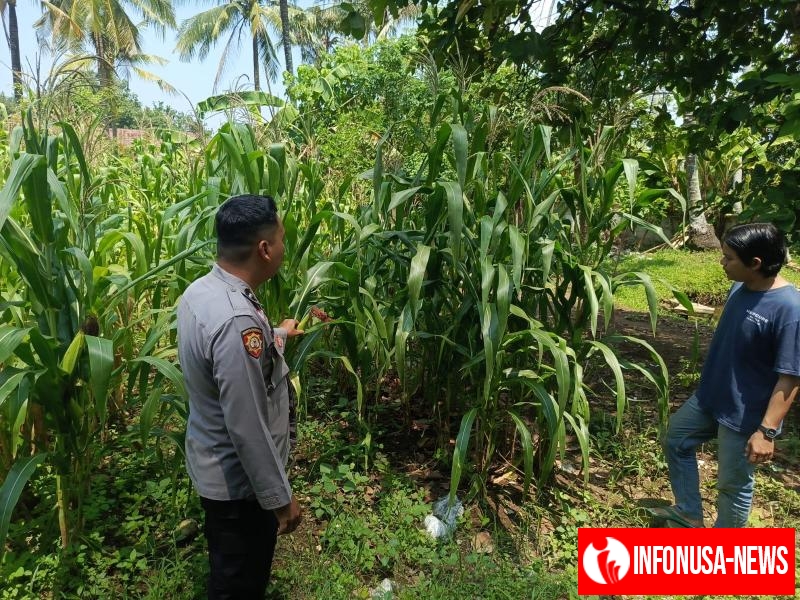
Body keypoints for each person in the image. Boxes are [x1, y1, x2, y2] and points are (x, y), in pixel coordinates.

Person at [177, 194, 303, 598]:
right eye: (281, 240)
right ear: (264, 249)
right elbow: (246, 424)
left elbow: (226, 360)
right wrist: (279, 499)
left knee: (231, 571)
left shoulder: (203, 291)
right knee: (238, 585)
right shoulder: (236, 320)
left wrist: (277, 334)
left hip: (214, 465)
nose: (284, 248)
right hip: (240, 488)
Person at [654, 223, 800, 528]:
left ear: (755, 263)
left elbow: (790, 377)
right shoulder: (739, 287)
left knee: (733, 486)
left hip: (745, 415)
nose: (722, 262)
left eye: (729, 257)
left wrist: (766, 432)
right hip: (711, 398)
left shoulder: (789, 309)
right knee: (676, 439)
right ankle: (689, 513)